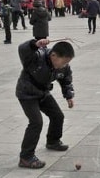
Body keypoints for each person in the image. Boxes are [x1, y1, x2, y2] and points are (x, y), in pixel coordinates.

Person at [16, 38, 75, 169]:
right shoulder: (38, 56)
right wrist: (34, 44)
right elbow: (22, 49)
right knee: (36, 122)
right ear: (53, 55)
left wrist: (69, 95)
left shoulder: (63, 67)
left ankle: (53, 141)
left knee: (57, 116)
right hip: (27, 94)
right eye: (63, 61)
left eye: (67, 62)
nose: (64, 65)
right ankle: (26, 157)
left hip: (43, 93)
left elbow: (66, 80)